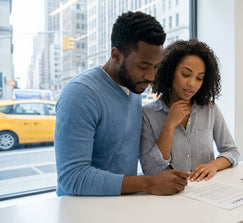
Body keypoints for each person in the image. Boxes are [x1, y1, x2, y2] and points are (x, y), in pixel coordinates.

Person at [54, 11, 188, 196]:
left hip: (122, 206)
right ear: (116, 55)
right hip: (82, 212)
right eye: (143, 66)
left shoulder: (133, 87)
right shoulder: (80, 94)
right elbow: (72, 177)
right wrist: (147, 184)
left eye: (156, 67)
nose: (150, 77)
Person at [140, 39, 240, 181]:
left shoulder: (209, 109)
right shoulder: (148, 114)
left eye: (199, 78)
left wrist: (213, 165)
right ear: (169, 71)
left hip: (206, 191)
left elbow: (232, 151)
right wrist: (169, 125)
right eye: (186, 74)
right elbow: (150, 170)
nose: (192, 84)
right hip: (169, 197)